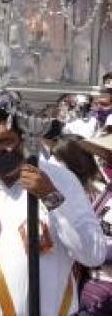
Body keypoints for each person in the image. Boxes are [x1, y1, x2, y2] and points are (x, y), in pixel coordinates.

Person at [0, 104, 106, 316]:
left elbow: (93, 255)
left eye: (7, 140)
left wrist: (51, 197)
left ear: (26, 140)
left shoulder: (62, 180)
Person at [77, 132, 112, 314]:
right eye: (106, 156)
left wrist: (91, 248)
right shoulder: (107, 190)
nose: (106, 162)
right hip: (91, 277)